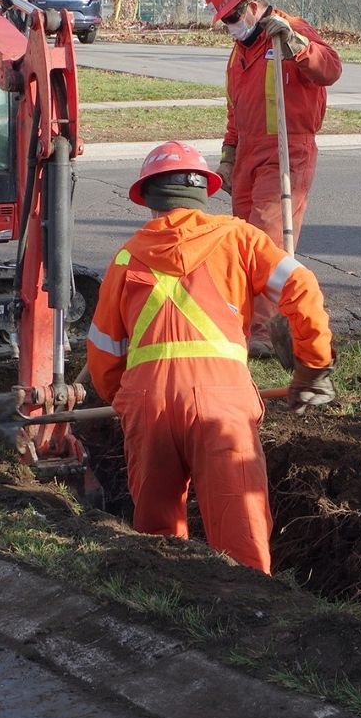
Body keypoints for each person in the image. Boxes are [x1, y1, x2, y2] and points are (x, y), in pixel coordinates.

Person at [84, 141, 337, 572]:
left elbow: (105, 351)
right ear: (204, 193)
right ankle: (251, 615)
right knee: (241, 532)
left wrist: (125, 402)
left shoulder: (126, 259)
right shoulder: (239, 238)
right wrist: (312, 366)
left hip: (149, 403)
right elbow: (301, 288)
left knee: (158, 540)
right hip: (222, 400)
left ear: (149, 199)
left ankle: (169, 618)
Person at [202, 0, 343, 356]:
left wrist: (297, 45)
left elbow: (330, 68)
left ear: (251, 6)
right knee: (242, 240)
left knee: (265, 239)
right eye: (225, 20)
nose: (229, 25)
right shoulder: (238, 53)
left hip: (287, 147)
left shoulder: (290, 29)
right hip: (248, 150)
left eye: (232, 17)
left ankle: (262, 333)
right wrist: (229, 157)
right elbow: (236, 110)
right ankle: (242, 323)